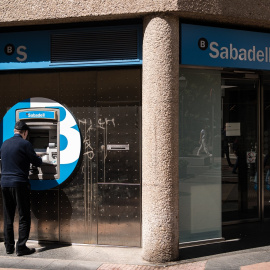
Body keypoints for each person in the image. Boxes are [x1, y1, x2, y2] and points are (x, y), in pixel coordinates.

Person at [0, 121, 42, 256]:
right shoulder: (25, 144)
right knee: (24, 215)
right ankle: (21, 247)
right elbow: (36, 162)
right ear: (24, 132)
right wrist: (38, 157)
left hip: (5, 183)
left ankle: (9, 247)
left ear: (15, 131)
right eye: (26, 134)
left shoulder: (5, 143)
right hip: (19, 183)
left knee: (8, 216)